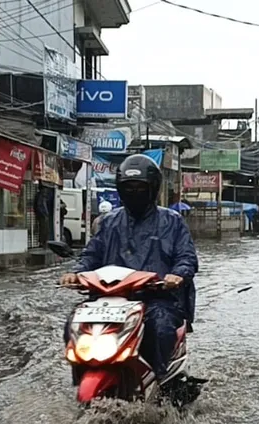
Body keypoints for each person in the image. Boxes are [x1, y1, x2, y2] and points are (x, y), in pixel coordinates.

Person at [60, 154, 198, 381]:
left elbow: (187, 258)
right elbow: (91, 254)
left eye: (140, 188)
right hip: (110, 299)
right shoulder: (109, 222)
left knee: (160, 326)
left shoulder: (172, 222)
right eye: (129, 188)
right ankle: (81, 375)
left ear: (152, 189)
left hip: (156, 298)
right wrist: (76, 273)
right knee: (73, 322)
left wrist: (176, 275)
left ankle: (161, 379)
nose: (135, 193)